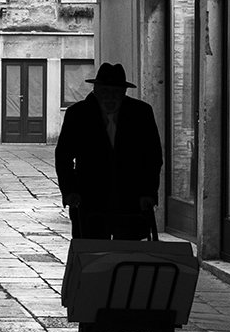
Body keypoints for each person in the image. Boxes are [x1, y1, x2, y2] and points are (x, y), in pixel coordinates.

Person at [55, 62, 163, 240]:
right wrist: (70, 191)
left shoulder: (140, 113)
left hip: (130, 200)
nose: (110, 97)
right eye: (105, 91)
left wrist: (148, 192)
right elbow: (63, 157)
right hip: (90, 199)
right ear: (96, 91)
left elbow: (152, 157)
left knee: (128, 252)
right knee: (92, 251)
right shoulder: (78, 114)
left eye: (116, 92)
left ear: (124, 92)